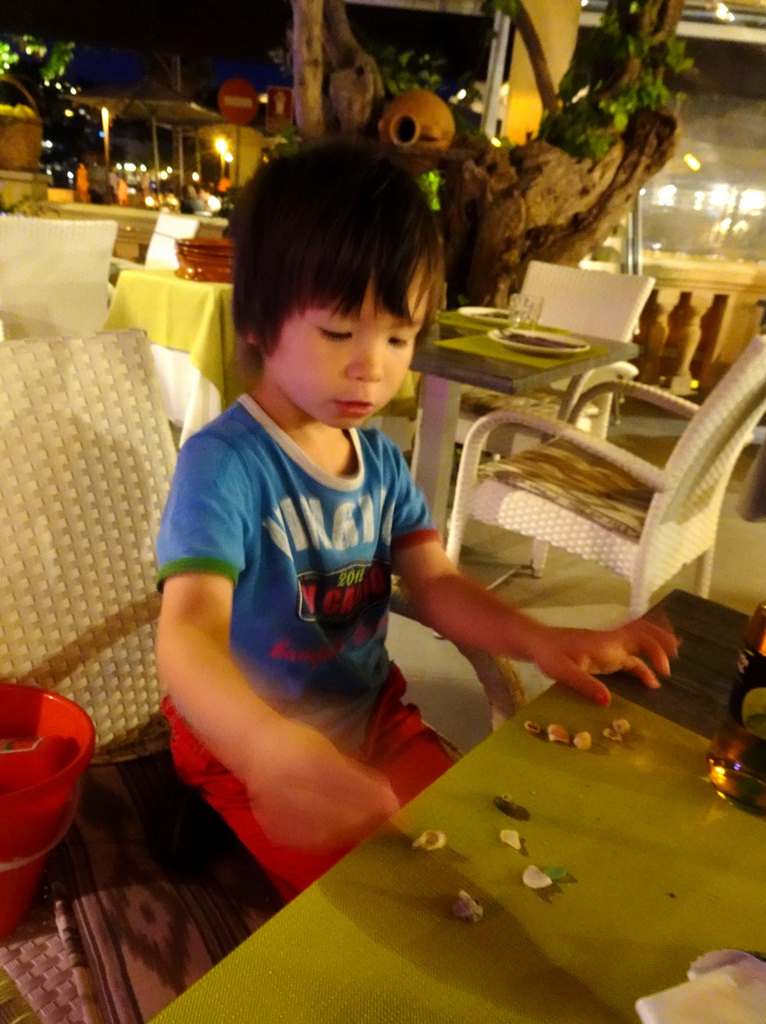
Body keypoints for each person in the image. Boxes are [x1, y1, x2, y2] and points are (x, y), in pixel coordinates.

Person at [155, 139, 678, 904]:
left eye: (398, 336)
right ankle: (200, 800)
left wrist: (545, 639)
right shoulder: (225, 464)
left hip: (373, 718)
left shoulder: (381, 462)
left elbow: (434, 583)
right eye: (340, 333)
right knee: (385, 903)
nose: (373, 365)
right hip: (246, 740)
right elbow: (187, 633)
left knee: (480, 862)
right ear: (261, 321)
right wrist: (263, 748)